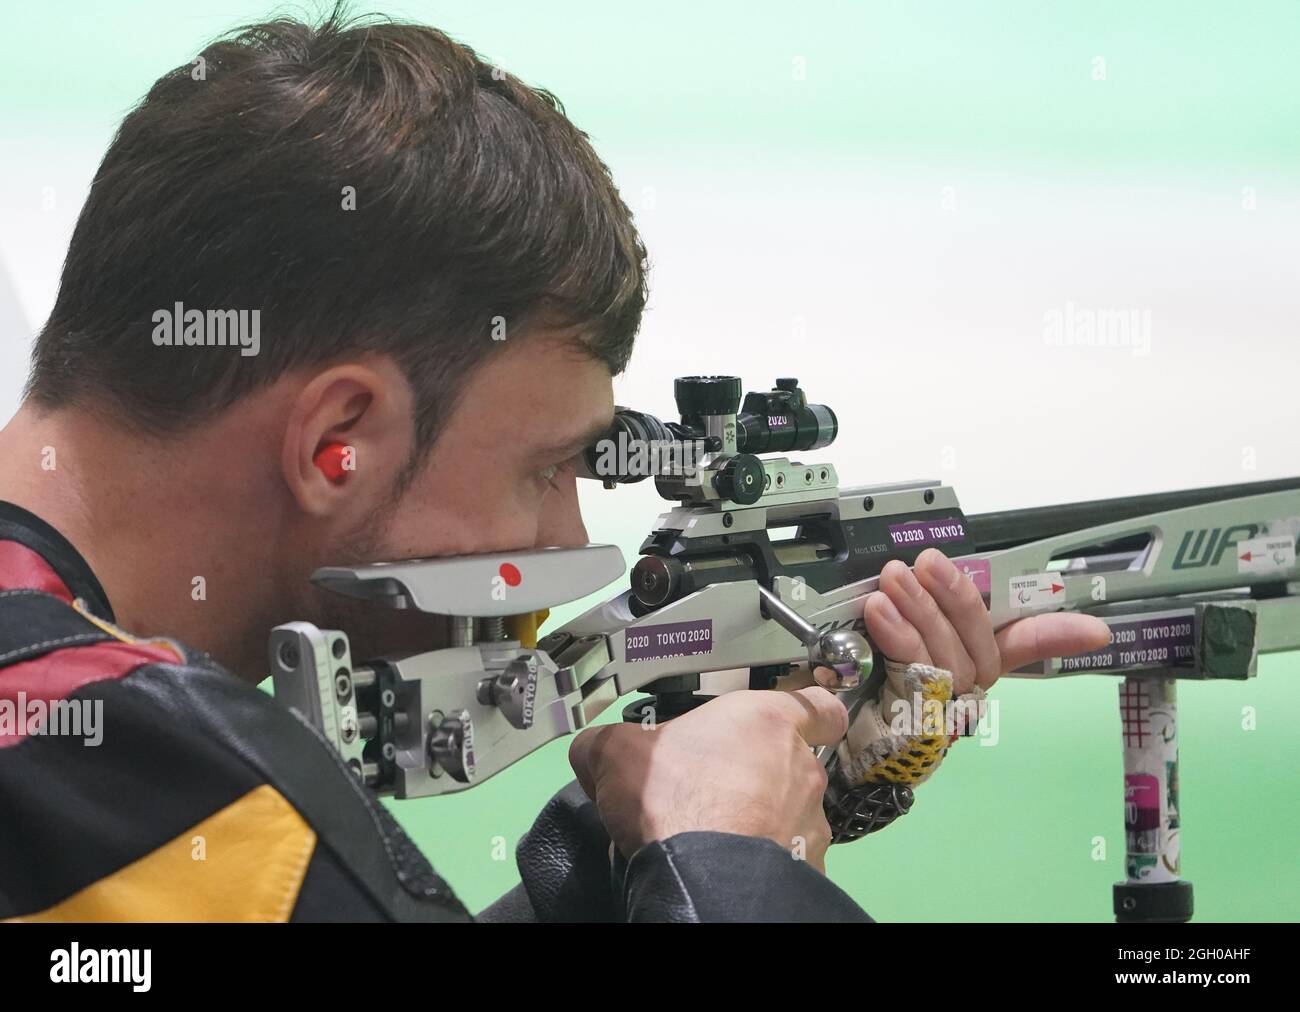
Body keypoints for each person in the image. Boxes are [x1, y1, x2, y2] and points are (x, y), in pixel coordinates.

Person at [0, 8, 1108, 922]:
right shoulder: (180, 792)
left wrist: (691, 833)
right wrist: (732, 866)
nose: (566, 539)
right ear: (339, 440)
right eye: (547, 468)